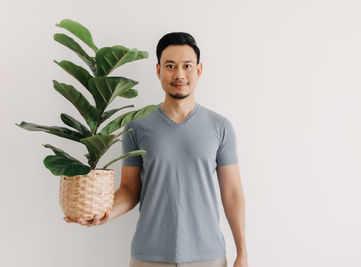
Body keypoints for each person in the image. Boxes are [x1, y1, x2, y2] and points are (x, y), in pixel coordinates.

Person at [64, 32, 248, 267]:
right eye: (170, 66)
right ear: (159, 70)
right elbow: (130, 189)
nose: (179, 74)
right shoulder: (137, 125)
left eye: (187, 66)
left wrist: (242, 252)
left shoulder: (220, 127)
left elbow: (232, 193)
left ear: (199, 70)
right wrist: (103, 213)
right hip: (148, 256)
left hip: (208, 256)